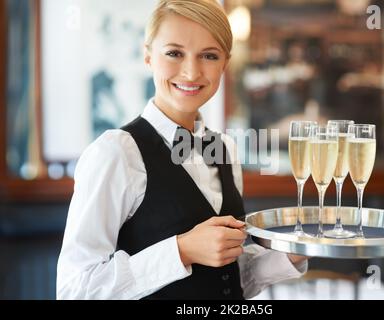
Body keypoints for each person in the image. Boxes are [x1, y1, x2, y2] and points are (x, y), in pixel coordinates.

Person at [57, 0, 308, 300]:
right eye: (175, 53)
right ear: (148, 56)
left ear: (225, 64)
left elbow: (226, 280)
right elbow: (75, 290)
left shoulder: (224, 148)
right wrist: (182, 250)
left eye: (209, 56)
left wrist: (290, 256)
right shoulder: (116, 152)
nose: (191, 72)